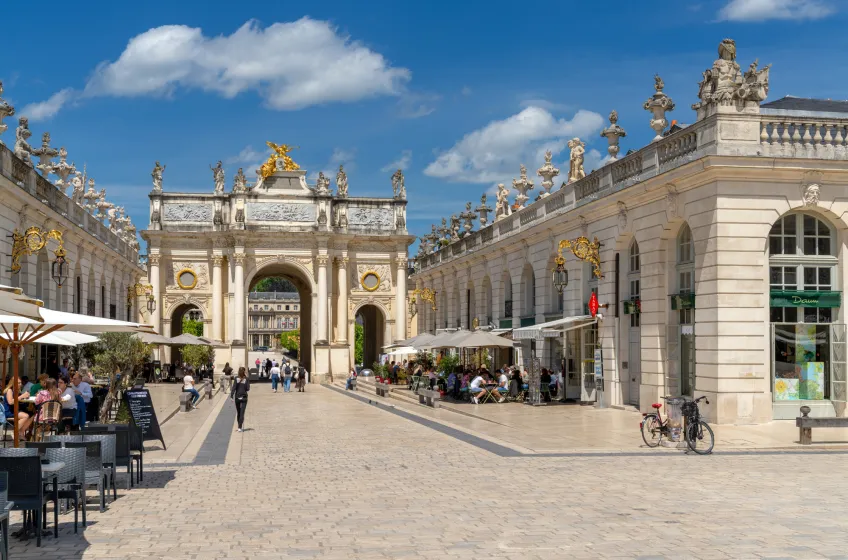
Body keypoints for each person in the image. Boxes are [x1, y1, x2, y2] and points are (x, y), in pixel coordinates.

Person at [4, 377, 33, 441]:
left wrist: (26, 396)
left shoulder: (17, 390)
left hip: (16, 410)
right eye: (18, 383)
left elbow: (19, 399)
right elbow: (10, 402)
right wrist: (22, 396)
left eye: (20, 383)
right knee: (26, 416)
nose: (20, 384)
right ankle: (15, 431)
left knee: (32, 415)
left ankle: (21, 432)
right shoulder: (9, 390)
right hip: (10, 411)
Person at [230, 367, 250, 432]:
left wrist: (231, 396)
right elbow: (248, 388)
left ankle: (239, 425)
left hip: (237, 397)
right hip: (244, 397)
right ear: (244, 372)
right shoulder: (246, 379)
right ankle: (240, 426)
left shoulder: (236, 378)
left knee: (238, 412)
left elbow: (234, 388)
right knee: (242, 412)